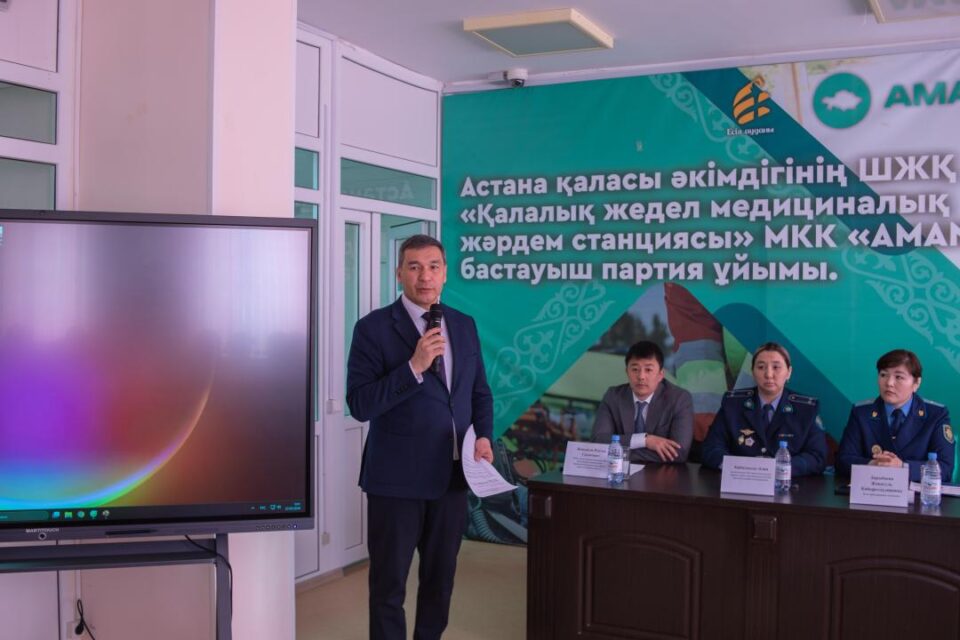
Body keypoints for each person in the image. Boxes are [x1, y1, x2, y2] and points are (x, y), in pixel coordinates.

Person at [346, 234, 494, 640]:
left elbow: (479, 393)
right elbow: (360, 404)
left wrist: (484, 437)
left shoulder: (464, 325)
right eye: (414, 267)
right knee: (388, 588)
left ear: (445, 274)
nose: (424, 276)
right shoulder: (372, 328)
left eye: (433, 267)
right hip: (395, 484)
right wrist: (414, 366)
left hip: (452, 480)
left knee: (439, 582)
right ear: (399, 273)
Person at [702, 342, 826, 476]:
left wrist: (778, 469)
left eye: (776, 367)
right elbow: (711, 449)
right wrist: (741, 468)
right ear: (753, 372)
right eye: (761, 367)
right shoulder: (733, 404)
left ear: (789, 372)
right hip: (742, 480)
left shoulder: (806, 408)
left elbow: (817, 457)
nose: (769, 374)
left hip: (788, 483)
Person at [836, 349, 954, 483]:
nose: (889, 383)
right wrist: (873, 464)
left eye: (898, 377)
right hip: (872, 490)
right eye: (883, 375)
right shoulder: (861, 413)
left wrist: (902, 467)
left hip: (917, 495)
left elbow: (945, 468)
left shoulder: (936, 415)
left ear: (916, 383)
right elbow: (843, 460)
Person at [592, 341, 694, 463]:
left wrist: (620, 452)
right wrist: (645, 440)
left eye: (648, 370)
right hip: (618, 471)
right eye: (635, 369)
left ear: (660, 375)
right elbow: (598, 442)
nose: (641, 376)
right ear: (627, 372)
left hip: (660, 473)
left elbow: (678, 453)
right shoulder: (613, 396)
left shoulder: (679, 399)